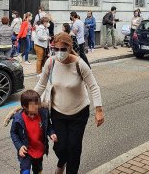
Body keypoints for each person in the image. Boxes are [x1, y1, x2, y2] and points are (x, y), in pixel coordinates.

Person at [34, 32, 104, 174]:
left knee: (74, 148)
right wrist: (28, 103)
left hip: (79, 113)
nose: (59, 52)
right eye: (56, 49)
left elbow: (93, 86)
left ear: (69, 47)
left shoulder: (79, 64)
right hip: (58, 112)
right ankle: (62, 162)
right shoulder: (51, 62)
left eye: (63, 49)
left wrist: (98, 110)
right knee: (60, 146)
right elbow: (41, 85)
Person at [10, 90, 58, 174]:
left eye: (37, 104)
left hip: (39, 149)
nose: (36, 107)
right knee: (25, 171)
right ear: (25, 106)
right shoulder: (18, 119)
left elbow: (48, 126)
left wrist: (51, 133)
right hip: (26, 151)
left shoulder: (43, 114)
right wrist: (19, 146)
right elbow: (13, 133)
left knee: (38, 170)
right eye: (33, 105)